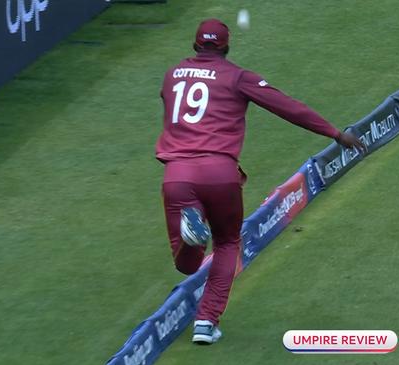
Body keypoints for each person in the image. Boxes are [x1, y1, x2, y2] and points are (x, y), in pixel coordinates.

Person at [155, 18, 364, 344]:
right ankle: (206, 323)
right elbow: (288, 107)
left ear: (195, 44)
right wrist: (335, 133)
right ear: (226, 46)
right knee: (227, 243)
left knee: (188, 264)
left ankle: (193, 236)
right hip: (220, 174)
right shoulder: (237, 77)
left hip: (177, 175)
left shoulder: (171, 76)